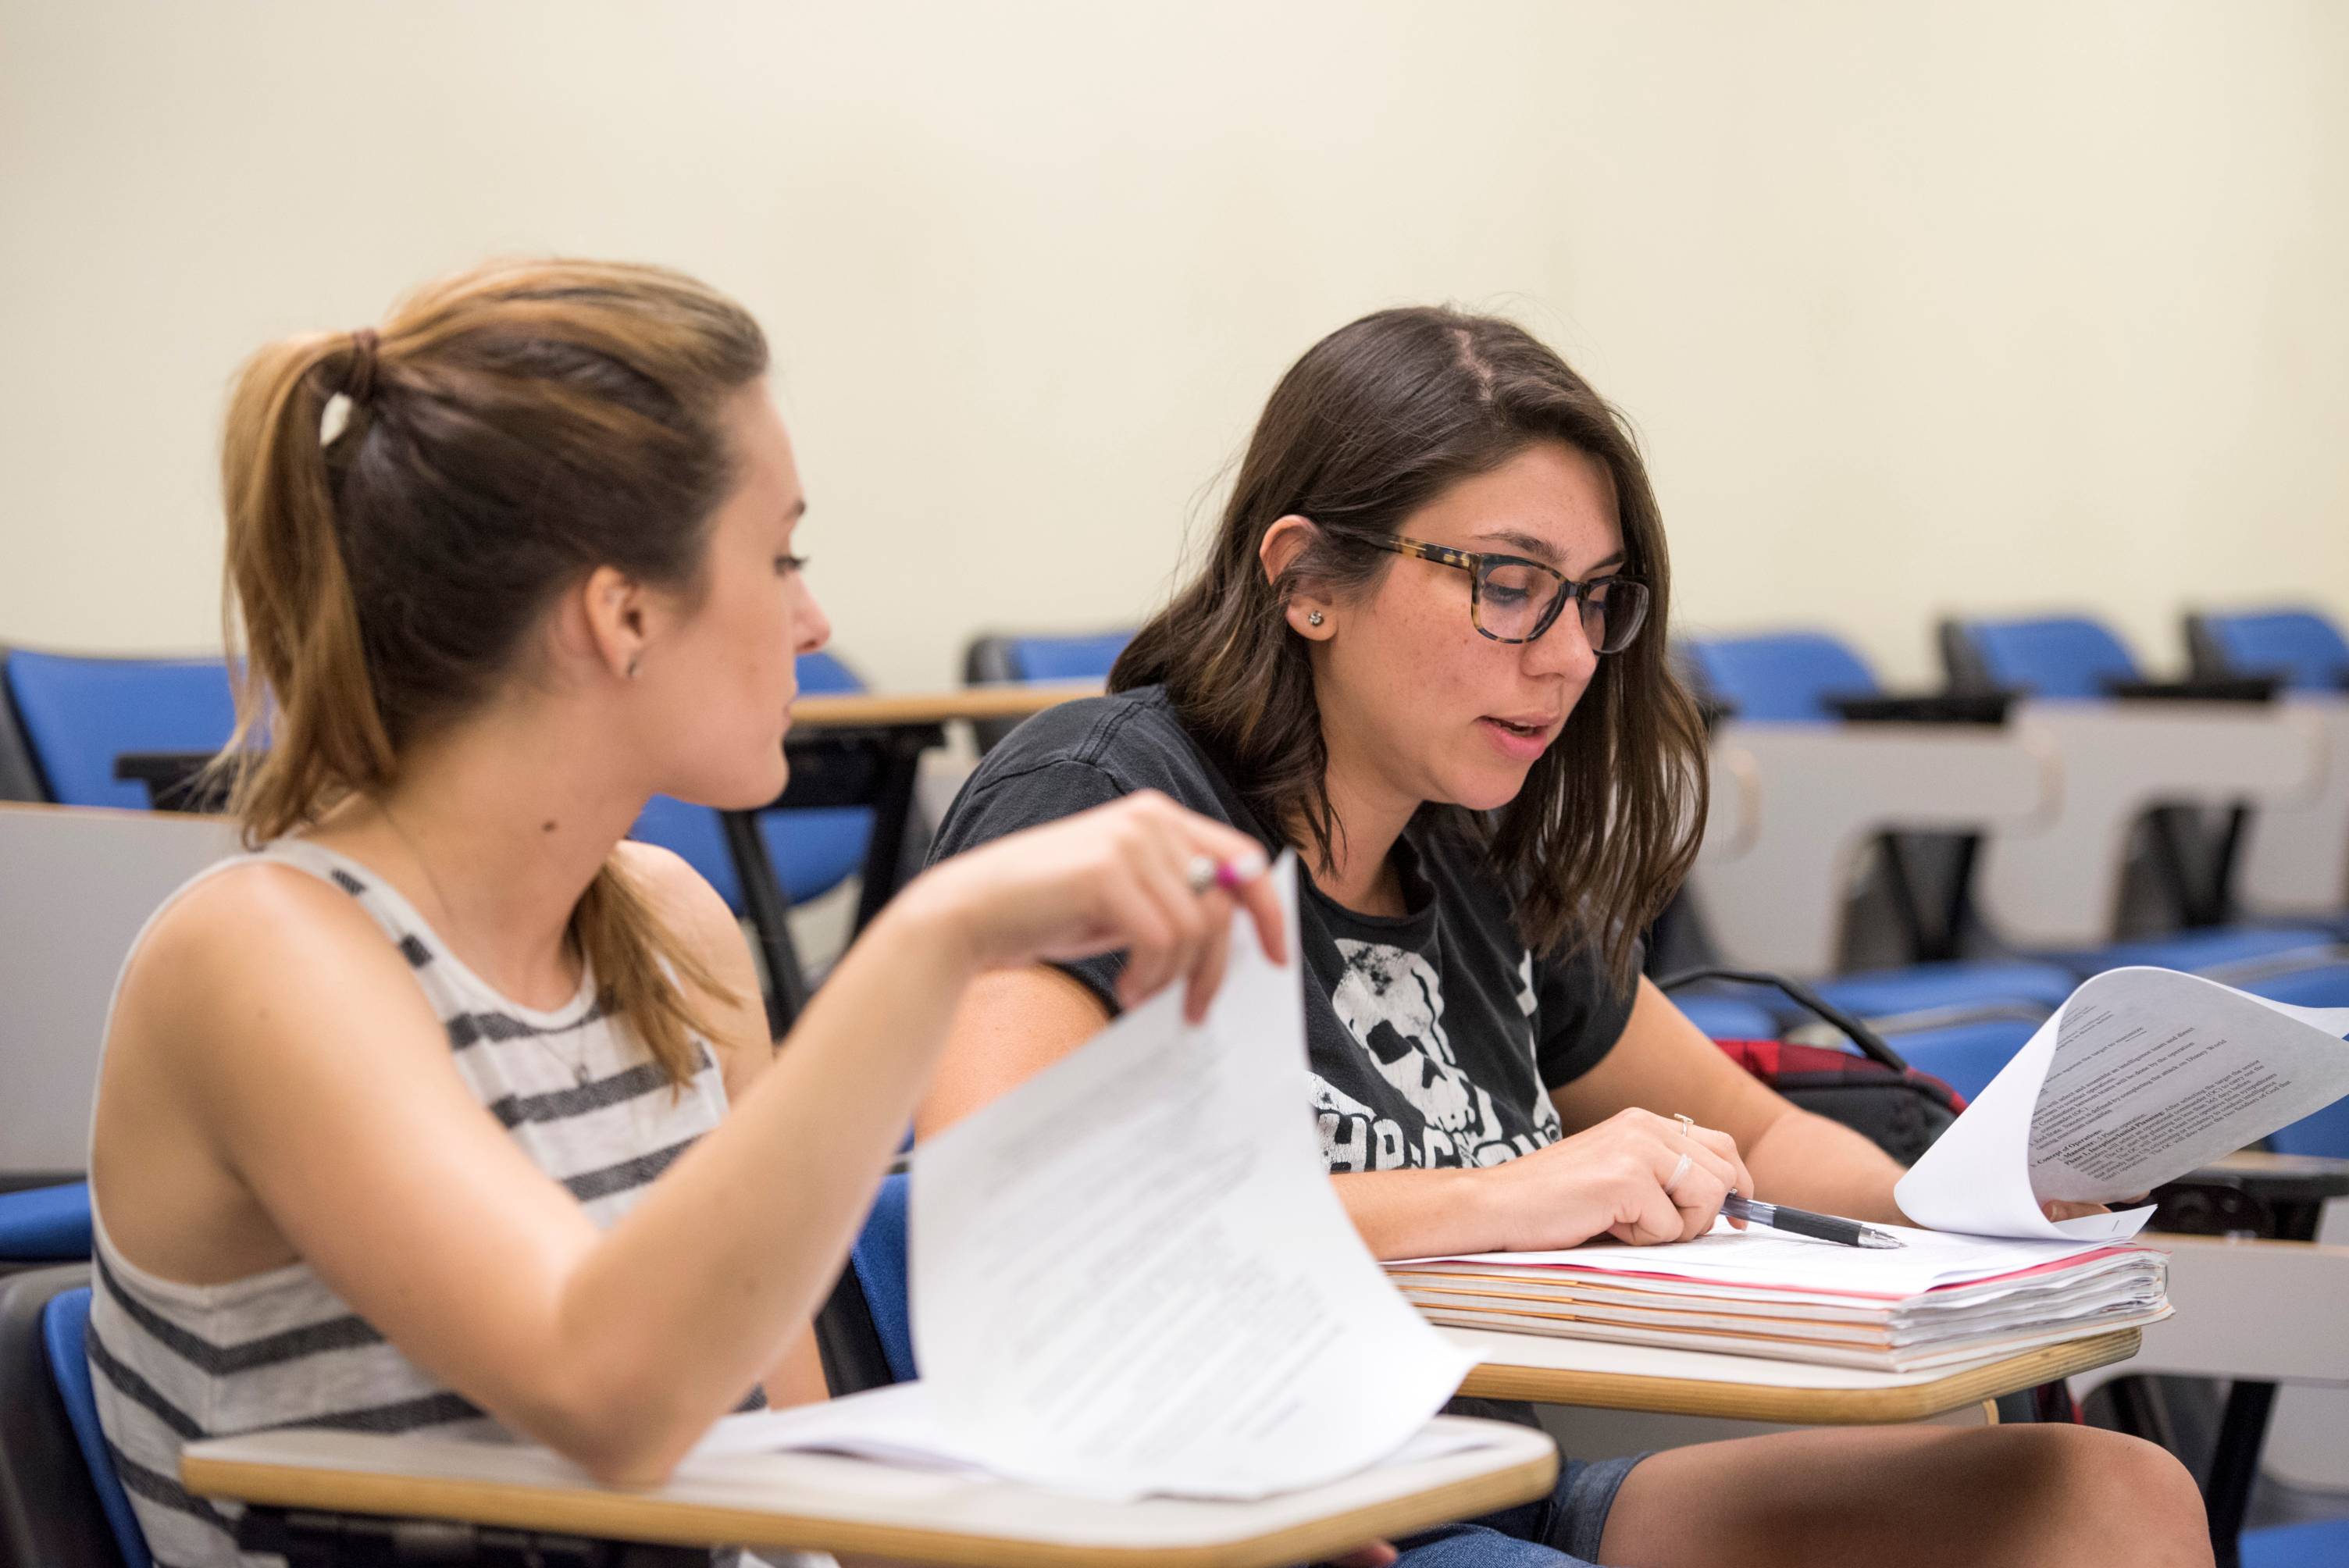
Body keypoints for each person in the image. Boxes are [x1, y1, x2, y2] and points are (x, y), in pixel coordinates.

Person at [914, 306, 2212, 1567]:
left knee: (2105, 1500)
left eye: (1594, 599)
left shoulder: (1470, 844)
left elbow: (1752, 1133)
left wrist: (1973, 1200)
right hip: (1234, 1521)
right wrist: (1493, 1201)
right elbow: (1013, 1230)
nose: (1572, 655)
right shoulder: (1099, 803)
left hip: (1477, 1495)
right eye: (1511, 586)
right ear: (1308, 578)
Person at [83, 258, 1295, 1568]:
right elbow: (610, 1396)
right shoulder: (264, 956)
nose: (817, 619)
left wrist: (1146, 1533)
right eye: (780, 557)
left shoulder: (669, 928)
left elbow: (800, 1496)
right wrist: (936, 937)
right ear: (625, 614)